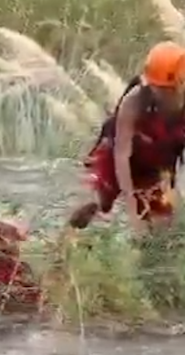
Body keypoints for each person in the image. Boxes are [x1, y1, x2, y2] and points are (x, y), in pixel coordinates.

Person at [69, 41, 185, 236]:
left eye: (167, 89)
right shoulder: (135, 100)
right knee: (92, 201)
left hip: (156, 166)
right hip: (116, 157)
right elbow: (121, 155)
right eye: (157, 87)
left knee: (160, 229)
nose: (161, 94)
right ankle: (63, 246)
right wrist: (132, 213)